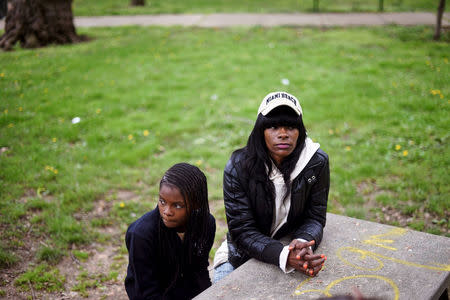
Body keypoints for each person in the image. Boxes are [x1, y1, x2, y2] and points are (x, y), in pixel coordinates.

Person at [213, 91, 329, 282]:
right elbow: (242, 231)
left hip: (287, 241)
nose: (283, 134)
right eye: (274, 126)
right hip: (240, 255)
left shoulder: (315, 162)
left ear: (300, 131)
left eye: (291, 127)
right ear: (260, 131)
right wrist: (284, 256)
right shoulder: (238, 167)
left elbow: (315, 216)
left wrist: (302, 245)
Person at [125, 163, 216, 299]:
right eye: (162, 202)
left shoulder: (206, 224)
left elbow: (200, 270)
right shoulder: (141, 235)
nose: (167, 212)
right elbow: (147, 290)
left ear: (196, 203)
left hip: (186, 290)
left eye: (178, 205)